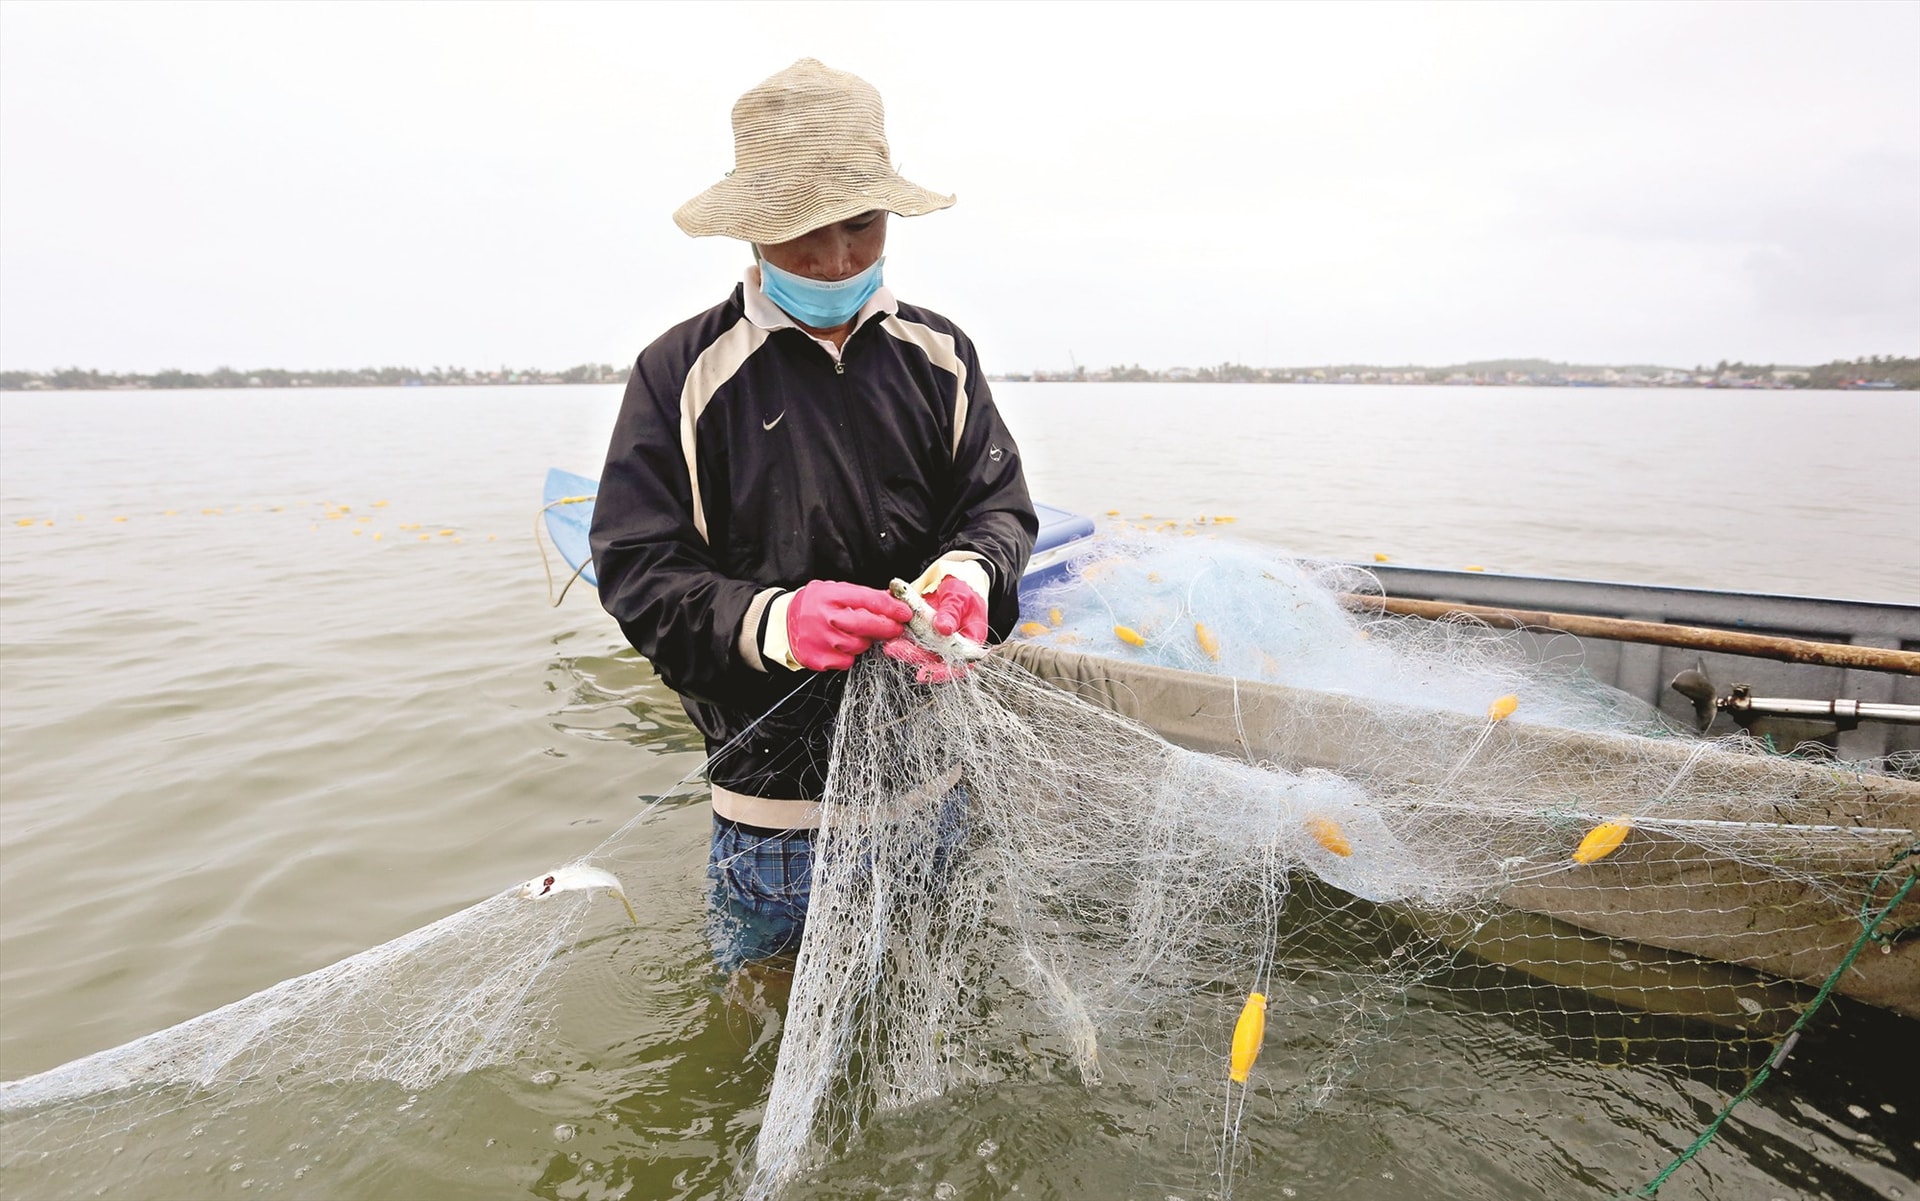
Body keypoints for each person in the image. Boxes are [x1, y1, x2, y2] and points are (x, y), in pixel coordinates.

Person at [590, 59, 1036, 966]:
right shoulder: (680, 374)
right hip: (776, 820)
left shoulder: (940, 355)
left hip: (935, 788)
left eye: (861, 227)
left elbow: (997, 506)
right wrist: (773, 621)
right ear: (750, 231)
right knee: (764, 1028)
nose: (835, 261)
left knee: (932, 984)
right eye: (800, 234)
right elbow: (638, 569)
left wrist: (971, 576)